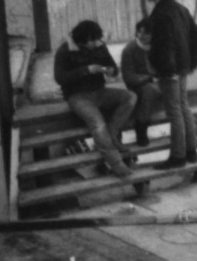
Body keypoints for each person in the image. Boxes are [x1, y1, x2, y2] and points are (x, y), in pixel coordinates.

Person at [53, 20, 135, 178]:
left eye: (95, 39)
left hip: (100, 91)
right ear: (80, 40)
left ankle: (113, 132)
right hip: (77, 96)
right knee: (97, 124)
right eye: (90, 41)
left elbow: (113, 68)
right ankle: (116, 164)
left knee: (130, 97)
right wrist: (86, 70)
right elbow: (60, 78)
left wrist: (111, 71)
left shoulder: (99, 45)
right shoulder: (64, 50)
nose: (94, 43)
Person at [138, 0, 197, 169]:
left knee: (174, 111)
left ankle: (177, 156)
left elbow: (165, 46)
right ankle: (191, 152)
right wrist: (191, 63)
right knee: (183, 107)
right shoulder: (180, 9)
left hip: (170, 70)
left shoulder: (159, 14)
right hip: (182, 68)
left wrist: (166, 70)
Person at [118, 20, 164, 149]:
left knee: (175, 87)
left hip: (160, 82)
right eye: (139, 32)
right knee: (149, 91)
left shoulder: (158, 47)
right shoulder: (129, 50)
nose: (142, 35)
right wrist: (147, 78)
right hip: (139, 85)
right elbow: (128, 77)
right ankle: (141, 128)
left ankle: (187, 126)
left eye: (147, 33)